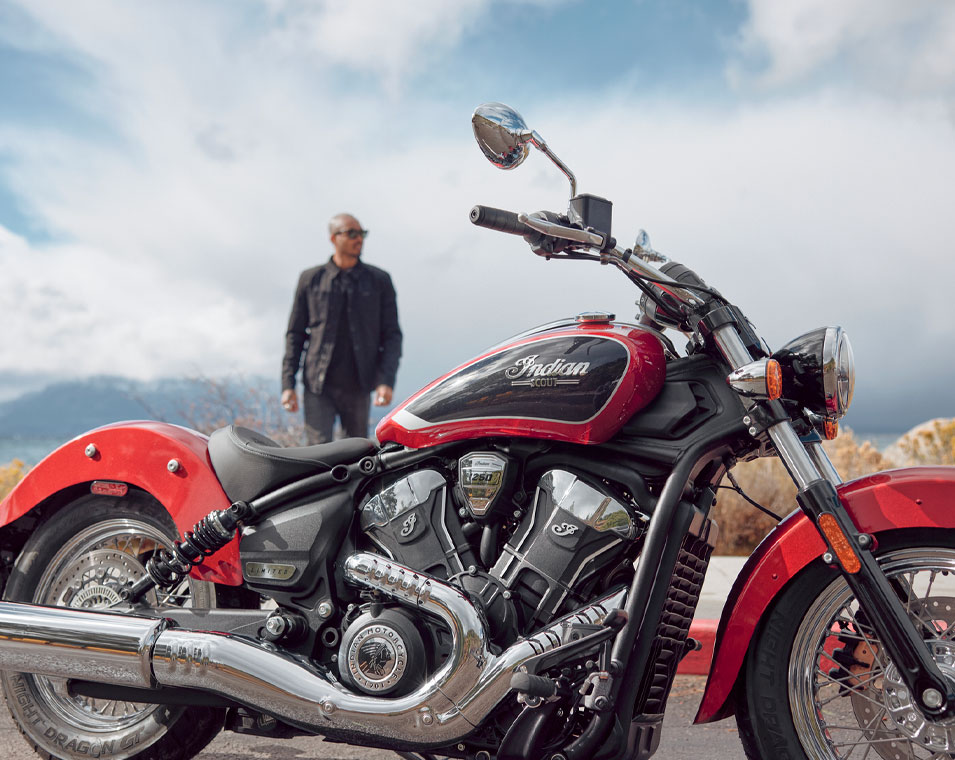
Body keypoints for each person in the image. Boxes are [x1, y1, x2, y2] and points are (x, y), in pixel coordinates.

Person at [281, 213, 402, 444]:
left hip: (359, 385)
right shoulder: (310, 279)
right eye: (352, 233)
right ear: (333, 238)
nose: (359, 239)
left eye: (362, 233)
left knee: (356, 453)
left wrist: (386, 380)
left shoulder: (380, 281)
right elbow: (295, 335)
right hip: (318, 385)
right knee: (318, 454)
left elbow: (392, 335)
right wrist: (288, 384)